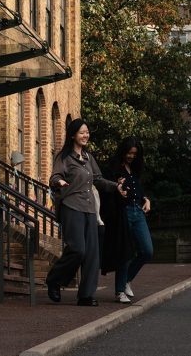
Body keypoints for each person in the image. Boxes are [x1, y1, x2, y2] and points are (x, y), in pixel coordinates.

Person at [45, 119, 125, 307]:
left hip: (89, 208)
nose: (85, 135)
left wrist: (116, 187)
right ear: (73, 135)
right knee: (78, 249)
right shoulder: (64, 157)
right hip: (71, 205)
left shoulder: (89, 158)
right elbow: (54, 176)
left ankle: (86, 295)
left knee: (91, 253)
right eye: (82, 132)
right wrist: (59, 182)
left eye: (87, 132)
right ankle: (54, 280)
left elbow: (98, 179)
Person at [101, 136, 152, 304]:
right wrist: (118, 189)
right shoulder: (113, 168)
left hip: (138, 211)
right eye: (129, 153)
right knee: (125, 252)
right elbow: (105, 187)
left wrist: (146, 198)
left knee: (147, 250)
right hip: (122, 212)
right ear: (123, 151)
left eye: (135, 153)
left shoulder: (135, 167)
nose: (131, 156)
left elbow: (138, 187)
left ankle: (127, 279)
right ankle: (120, 291)